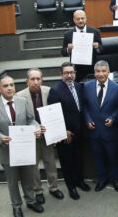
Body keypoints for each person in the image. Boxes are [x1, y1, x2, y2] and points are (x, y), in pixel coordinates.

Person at [0, 75, 43, 217]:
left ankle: (31, 201)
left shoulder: (22, 101)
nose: (9, 88)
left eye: (12, 85)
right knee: (12, 182)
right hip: (6, 151)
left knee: (27, 178)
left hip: (24, 149)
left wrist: (36, 128)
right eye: (6, 86)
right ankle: (16, 206)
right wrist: (1, 138)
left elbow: (31, 120)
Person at [16, 69, 64, 204]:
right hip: (32, 137)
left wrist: (57, 130)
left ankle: (53, 187)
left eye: (38, 79)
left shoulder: (49, 91)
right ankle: (38, 191)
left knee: (50, 162)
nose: (36, 82)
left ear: (42, 80)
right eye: (32, 79)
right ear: (27, 81)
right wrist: (34, 129)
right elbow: (20, 119)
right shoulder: (19, 96)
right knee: (33, 166)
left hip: (48, 134)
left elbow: (55, 113)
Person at [48, 62, 91, 200]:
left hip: (80, 131)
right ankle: (71, 186)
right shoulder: (55, 90)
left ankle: (79, 181)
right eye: (66, 73)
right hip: (66, 133)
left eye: (71, 72)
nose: (69, 75)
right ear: (61, 74)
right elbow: (53, 115)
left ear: (75, 73)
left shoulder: (79, 86)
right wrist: (63, 131)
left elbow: (81, 108)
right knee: (67, 162)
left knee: (79, 158)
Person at [83, 60, 118, 192]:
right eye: (98, 71)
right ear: (94, 73)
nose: (101, 74)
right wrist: (87, 119)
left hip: (110, 130)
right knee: (98, 157)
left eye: (103, 71)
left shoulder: (117, 88)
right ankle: (102, 179)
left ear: (108, 72)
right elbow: (85, 106)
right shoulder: (87, 86)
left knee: (113, 157)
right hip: (94, 130)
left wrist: (113, 118)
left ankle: (115, 180)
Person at [61, 10, 103, 82]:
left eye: (82, 18)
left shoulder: (95, 31)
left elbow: (102, 49)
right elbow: (63, 52)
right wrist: (68, 49)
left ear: (86, 18)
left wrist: (97, 47)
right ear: (74, 20)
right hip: (76, 68)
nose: (80, 21)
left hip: (91, 67)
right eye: (78, 19)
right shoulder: (68, 34)